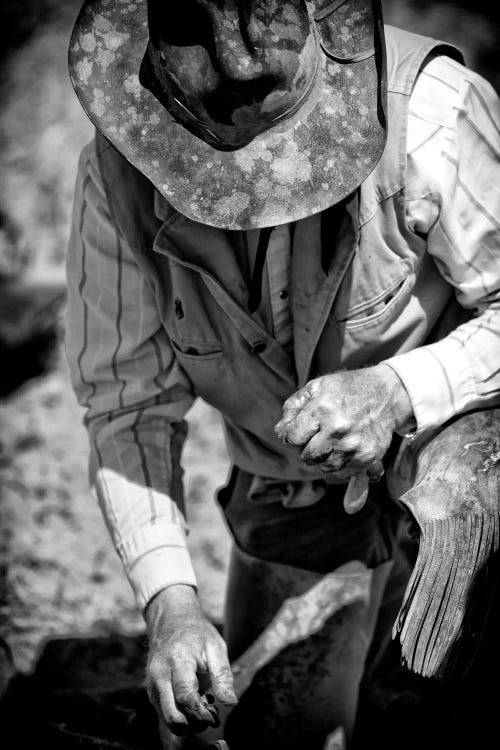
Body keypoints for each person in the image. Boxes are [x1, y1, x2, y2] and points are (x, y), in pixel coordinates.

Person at [66, 1, 500, 748]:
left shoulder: (430, 110)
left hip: (462, 448)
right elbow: (126, 405)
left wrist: (398, 390)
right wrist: (170, 604)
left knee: (426, 706)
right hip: (290, 477)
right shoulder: (117, 175)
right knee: (276, 732)